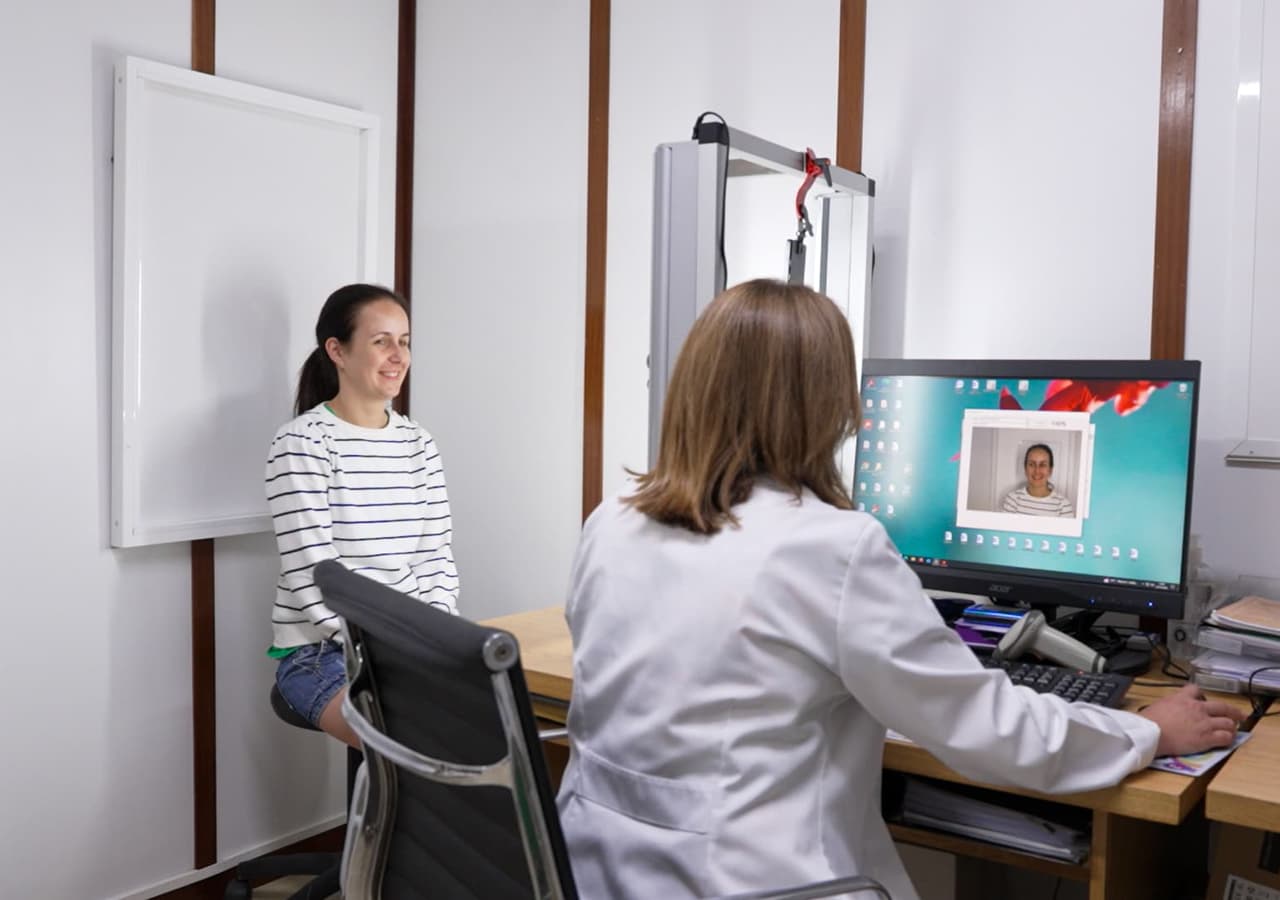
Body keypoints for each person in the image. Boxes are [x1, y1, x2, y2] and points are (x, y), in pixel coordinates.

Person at [555, 279, 1242, 900]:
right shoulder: (828, 547)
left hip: (594, 871)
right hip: (751, 883)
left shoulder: (612, 521)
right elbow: (988, 730)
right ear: (827, 406)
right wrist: (1143, 731)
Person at [265, 283, 459, 748]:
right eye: (381, 341)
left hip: (409, 648)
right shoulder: (302, 443)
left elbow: (435, 560)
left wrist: (434, 640)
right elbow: (316, 577)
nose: (398, 355)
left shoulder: (419, 444)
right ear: (337, 351)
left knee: (490, 732)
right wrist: (397, 648)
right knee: (413, 741)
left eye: (405, 341)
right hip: (322, 654)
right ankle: (378, 823)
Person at [1001, 442, 1075, 516]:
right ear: (1025, 468)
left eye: (1043, 465)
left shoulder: (1063, 506)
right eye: (1031, 464)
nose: (1037, 471)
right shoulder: (1012, 500)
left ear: (1050, 470)